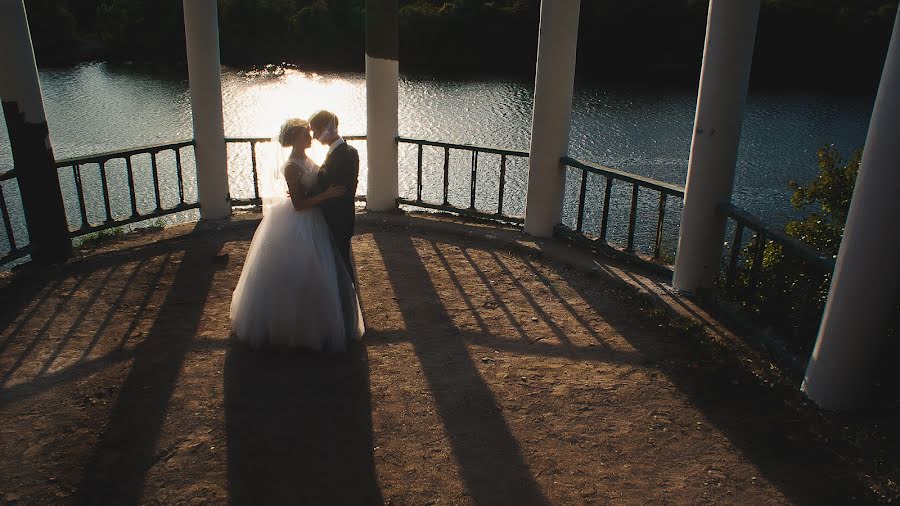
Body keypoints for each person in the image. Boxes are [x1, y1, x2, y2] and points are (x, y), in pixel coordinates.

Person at [229, 118, 364, 350]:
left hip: (316, 220)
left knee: (321, 271)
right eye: (306, 135)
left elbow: (313, 184)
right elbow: (299, 205)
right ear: (295, 139)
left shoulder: (306, 159)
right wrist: (326, 195)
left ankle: (322, 320)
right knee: (299, 273)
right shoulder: (291, 165)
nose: (311, 137)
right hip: (300, 221)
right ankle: (296, 328)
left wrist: (321, 192)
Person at [308, 110, 359, 280]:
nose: (314, 136)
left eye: (315, 131)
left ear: (325, 128)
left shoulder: (341, 156)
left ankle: (346, 300)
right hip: (342, 216)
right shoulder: (348, 150)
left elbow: (335, 190)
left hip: (337, 218)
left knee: (341, 261)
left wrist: (305, 194)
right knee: (340, 259)